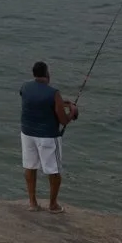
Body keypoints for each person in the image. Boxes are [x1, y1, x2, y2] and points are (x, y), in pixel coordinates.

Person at [20, 60, 77, 212]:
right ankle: (53, 205)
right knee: (54, 171)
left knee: (30, 167)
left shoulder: (25, 88)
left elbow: (36, 101)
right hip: (48, 137)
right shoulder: (54, 93)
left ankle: (32, 203)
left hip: (27, 134)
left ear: (34, 74)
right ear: (47, 74)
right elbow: (63, 120)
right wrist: (72, 111)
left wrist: (60, 102)